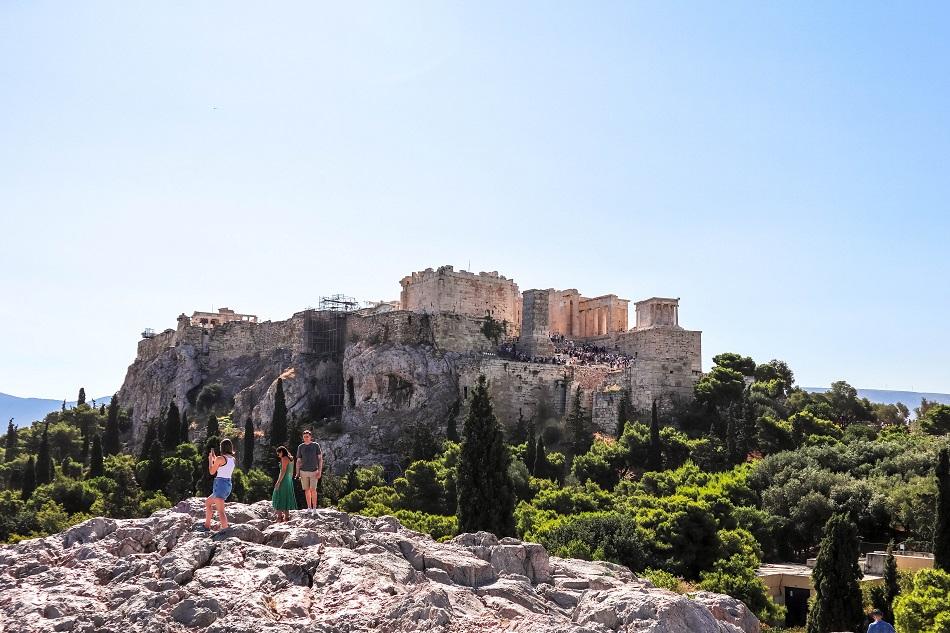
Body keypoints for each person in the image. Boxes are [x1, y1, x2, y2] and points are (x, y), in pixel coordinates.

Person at [204, 439, 235, 530]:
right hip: (227, 484)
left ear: (222, 448)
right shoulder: (232, 459)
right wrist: (215, 459)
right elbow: (222, 466)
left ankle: (225, 530)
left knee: (221, 511)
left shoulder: (220, 459)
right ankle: (207, 525)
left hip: (220, 484)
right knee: (208, 502)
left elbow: (211, 472)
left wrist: (210, 461)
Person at [295, 430, 323, 510]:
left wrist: (320, 471)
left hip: (314, 471)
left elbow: (320, 459)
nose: (306, 438)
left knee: (313, 490)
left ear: (311, 437)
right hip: (303, 471)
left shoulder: (315, 445)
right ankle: (309, 508)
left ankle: (314, 509)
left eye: (307, 436)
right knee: (306, 490)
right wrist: (297, 473)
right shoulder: (300, 447)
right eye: (304, 437)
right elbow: (299, 460)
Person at [271, 446, 296, 521]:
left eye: (278, 453)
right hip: (288, 479)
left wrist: (278, 482)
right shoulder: (291, 458)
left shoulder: (284, 458)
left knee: (278, 495)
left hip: (284, 479)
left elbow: (283, 471)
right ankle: (287, 517)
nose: (278, 455)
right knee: (286, 497)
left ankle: (279, 517)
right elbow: (291, 472)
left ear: (281, 452)